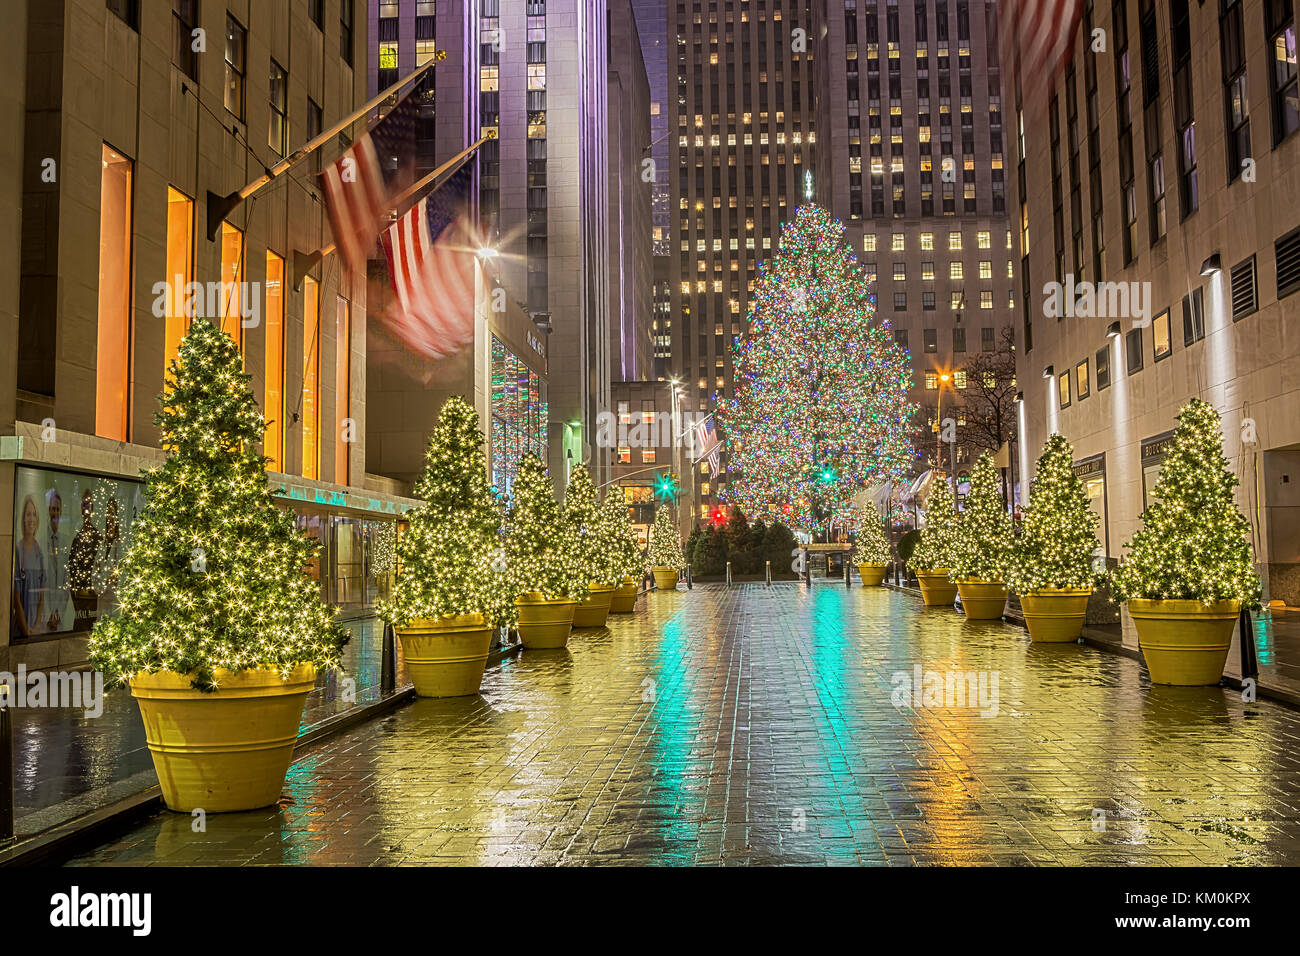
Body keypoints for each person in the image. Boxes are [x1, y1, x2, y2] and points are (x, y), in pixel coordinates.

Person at [12, 494, 47, 637]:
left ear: (37, 519)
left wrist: (37, 626)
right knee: (21, 661)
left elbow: (41, 598)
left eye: (34, 514)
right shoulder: (18, 550)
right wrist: (26, 630)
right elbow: (16, 600)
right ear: (23, 519)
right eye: (28, 514)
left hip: (37, 629)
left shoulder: (40, 553)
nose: (31, 519)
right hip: (21, 630)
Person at [45, 488, 67, 632]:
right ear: (48, 511)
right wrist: (49, 614)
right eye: (53, 509)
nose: (56, 513)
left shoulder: (64, 541)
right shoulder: (42, 539)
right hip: (44, 616)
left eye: (58, 509)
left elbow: (66, 581)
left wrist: (58, 612)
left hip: (59, 617)